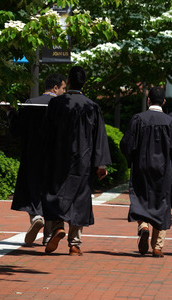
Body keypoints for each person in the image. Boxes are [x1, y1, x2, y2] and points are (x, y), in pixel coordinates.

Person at [42, 66, 111, 255]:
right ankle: (74, 243)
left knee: (55, 193)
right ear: (85, 83)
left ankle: (57, 227)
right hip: (83, 159)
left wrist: (45, 157)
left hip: (58, 159)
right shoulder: (91, 106)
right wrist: (101, 164)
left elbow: (47, 133)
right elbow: (99, 137)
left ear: (68, 81)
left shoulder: (56, 104)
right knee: (79, 199)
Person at [120, 87, 172, 258]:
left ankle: (143, 227)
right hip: (163, 168)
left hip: (141, 166)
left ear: (148, 100)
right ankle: (157, 246)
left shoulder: (138, 119)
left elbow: (126, 144)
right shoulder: (170, 122)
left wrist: (131, 161)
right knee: (162, 202)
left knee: (141, 197)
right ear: (164, 102)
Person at [6, 73, 66, 246]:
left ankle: (36, 217)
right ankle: (48, 236)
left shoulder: (30, 103)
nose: (63, 92)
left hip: (33, 155)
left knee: (31, 190)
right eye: (63, 88)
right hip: (55, 157)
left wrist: (10, 112)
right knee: (51, 194)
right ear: (55, 88)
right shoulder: (62, 105)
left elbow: (17, 130)